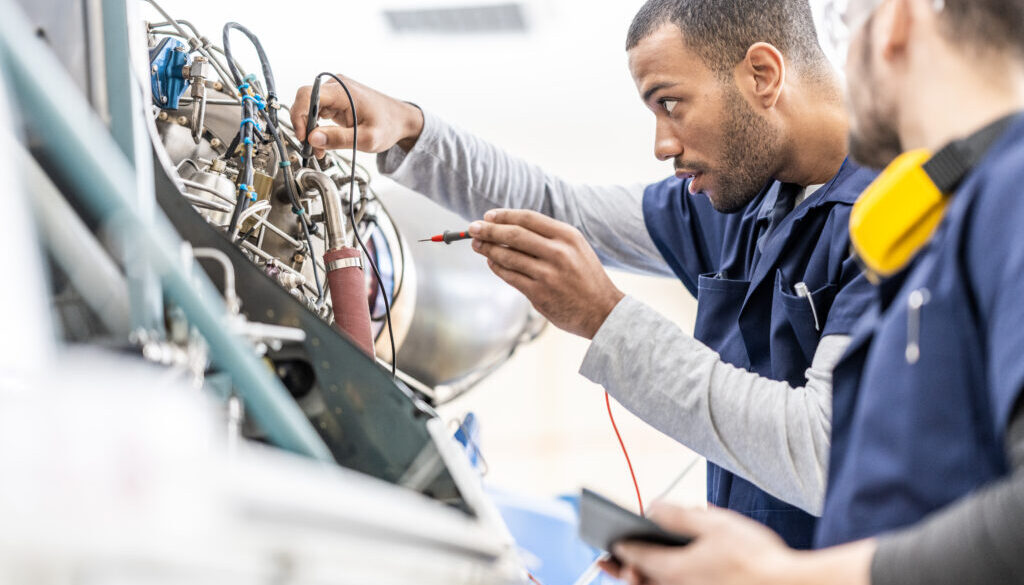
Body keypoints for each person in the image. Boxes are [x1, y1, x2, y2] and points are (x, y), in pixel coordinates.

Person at [292, 0, 877, 549]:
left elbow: (820, 452)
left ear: (762, 75)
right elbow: (560, 209)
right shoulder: (750, 202)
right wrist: (412, 130)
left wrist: (606, 318)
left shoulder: (896, 218)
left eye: (669, 103)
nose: (661, 144)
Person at [603, 0, 1024, 583]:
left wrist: (777, 576)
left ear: (900, 17)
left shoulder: (1012, 195)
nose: (839, 62)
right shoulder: (954, 211)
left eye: (846, 23)